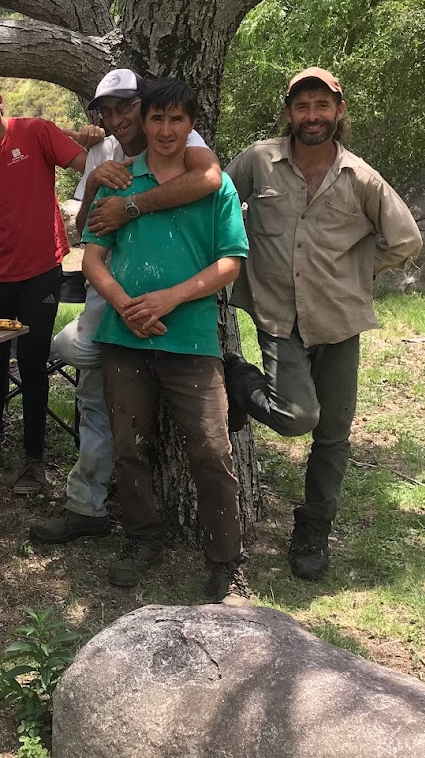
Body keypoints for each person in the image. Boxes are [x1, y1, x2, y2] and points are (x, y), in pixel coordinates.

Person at [224, 67, 422, 581]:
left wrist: (355, 270)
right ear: (288, 112)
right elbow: (216, 203)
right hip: (276, 315)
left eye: (322, 106)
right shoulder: (257, 161)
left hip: (338, 319)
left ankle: (313, 528)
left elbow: (405, 240)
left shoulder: (362, 177)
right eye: (302, 106)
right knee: (296, 417)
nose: (312, 116)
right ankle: (238, 379)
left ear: (338, 111)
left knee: (333, 435)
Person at [29, 69, 223, 543]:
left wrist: (134, 205)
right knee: (94, 401)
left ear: (146, 106)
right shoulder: (102, 148)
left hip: (170, 295)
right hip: (108, 288)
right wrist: (95, 180)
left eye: (125, 106)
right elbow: (85, 227)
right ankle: (87, 505)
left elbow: (211, 178)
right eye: (106, 110)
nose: (116, 119)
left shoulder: (176, 134)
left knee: (80, 358)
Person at [82, 78, 251, 605]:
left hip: (191, 338)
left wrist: (169, 299)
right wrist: (126, 305)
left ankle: (224, 558)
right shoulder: (117, 180)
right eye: (157, 118)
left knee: (210, 448)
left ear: (190, 125)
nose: (166, 129)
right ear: (144, 122)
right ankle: (143, 538)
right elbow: (91, 257)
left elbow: (230, 263)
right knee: (130, 447)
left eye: (177, 119)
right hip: (123, 336)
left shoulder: (213, 184)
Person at [0, 74, 89, 496]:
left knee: (32, 362)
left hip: (40, 270)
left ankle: (34, 459)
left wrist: (95, 138)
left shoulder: (34, 132)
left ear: (0, 101)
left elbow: (87, 164)